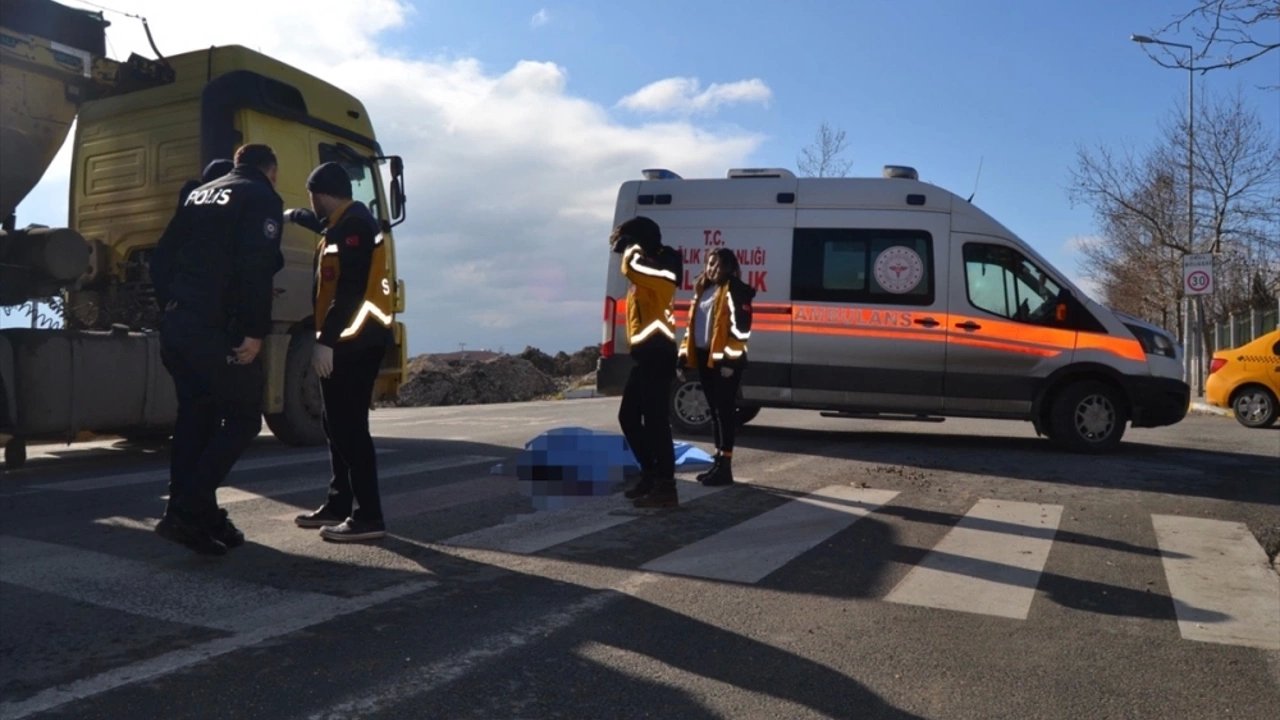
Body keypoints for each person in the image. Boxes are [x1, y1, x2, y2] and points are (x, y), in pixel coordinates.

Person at [152, 145, 284, 556]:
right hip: (215, 331)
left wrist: (173, 307)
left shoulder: (200, 193)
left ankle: (197, 517)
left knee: (197, 416)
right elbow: (256, 267)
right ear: (271, 170)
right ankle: (187, 510)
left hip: (178, 325)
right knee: (244, 418)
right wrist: (253, 330)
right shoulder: (260, 195)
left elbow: (162, 258)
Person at [288, 162, 394, 542]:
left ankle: (368, 516)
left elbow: (349, 290)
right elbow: (320, 226)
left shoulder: (354, 227)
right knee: (336, 425)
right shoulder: (345, 222)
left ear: (322, 193)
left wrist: (326, 341)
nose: (310, 203)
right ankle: (338, 503)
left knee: (350, 430)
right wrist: (293, 215)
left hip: (355, 341)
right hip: (349, 341)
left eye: (311, 197)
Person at [611, 216, 682, 508]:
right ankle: (651, 475)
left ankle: (666, 486)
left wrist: (630, 248)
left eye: (626, 242)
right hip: (645, 355)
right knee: (628, 417)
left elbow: (631, 267)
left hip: (659, 353)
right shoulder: (648, 270)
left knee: (656, 422)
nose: (621, 250)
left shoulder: (664, 267)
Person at [679, 248, 754, 486]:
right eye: (710, 264)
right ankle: (718, 462)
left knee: (725, 413)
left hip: (724, 363)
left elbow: (741, 330)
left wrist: (730, 362)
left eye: (718, 265)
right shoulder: (703, 289)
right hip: (705, 358)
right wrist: (682, 358)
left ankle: (726, 466)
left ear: (730, 268)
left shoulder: (735, 290)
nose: (712, 269)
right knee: (715, 412)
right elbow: (691, 327)